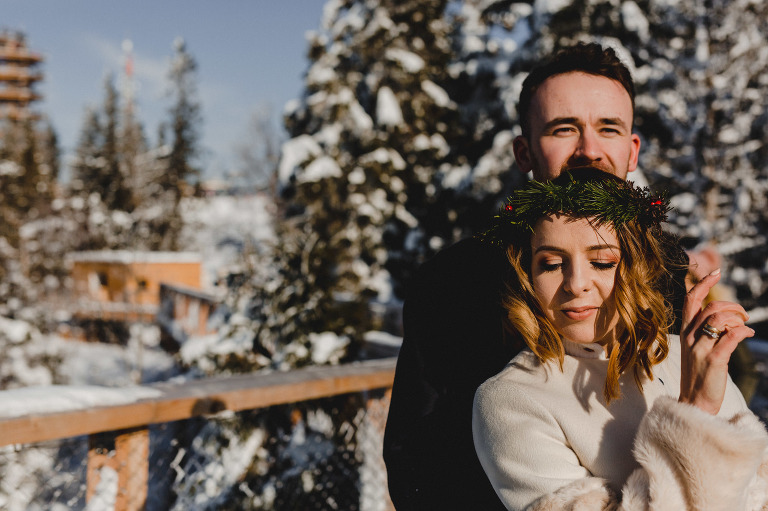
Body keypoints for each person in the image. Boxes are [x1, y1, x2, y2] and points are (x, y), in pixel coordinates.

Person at [383, 42, 689, 510]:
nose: (589, 150)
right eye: (564, 129)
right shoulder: (453, 284)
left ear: (631, 150)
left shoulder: (664, 266)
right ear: (524, 152)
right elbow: (416, 464)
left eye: (608, 128)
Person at [472, 168, 764, 509]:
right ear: (529, 275)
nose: (575, 283)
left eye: (601, 261)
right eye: (551, 263)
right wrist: (696, 414)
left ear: (636, 266)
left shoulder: (685, 356)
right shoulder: (511, 399)